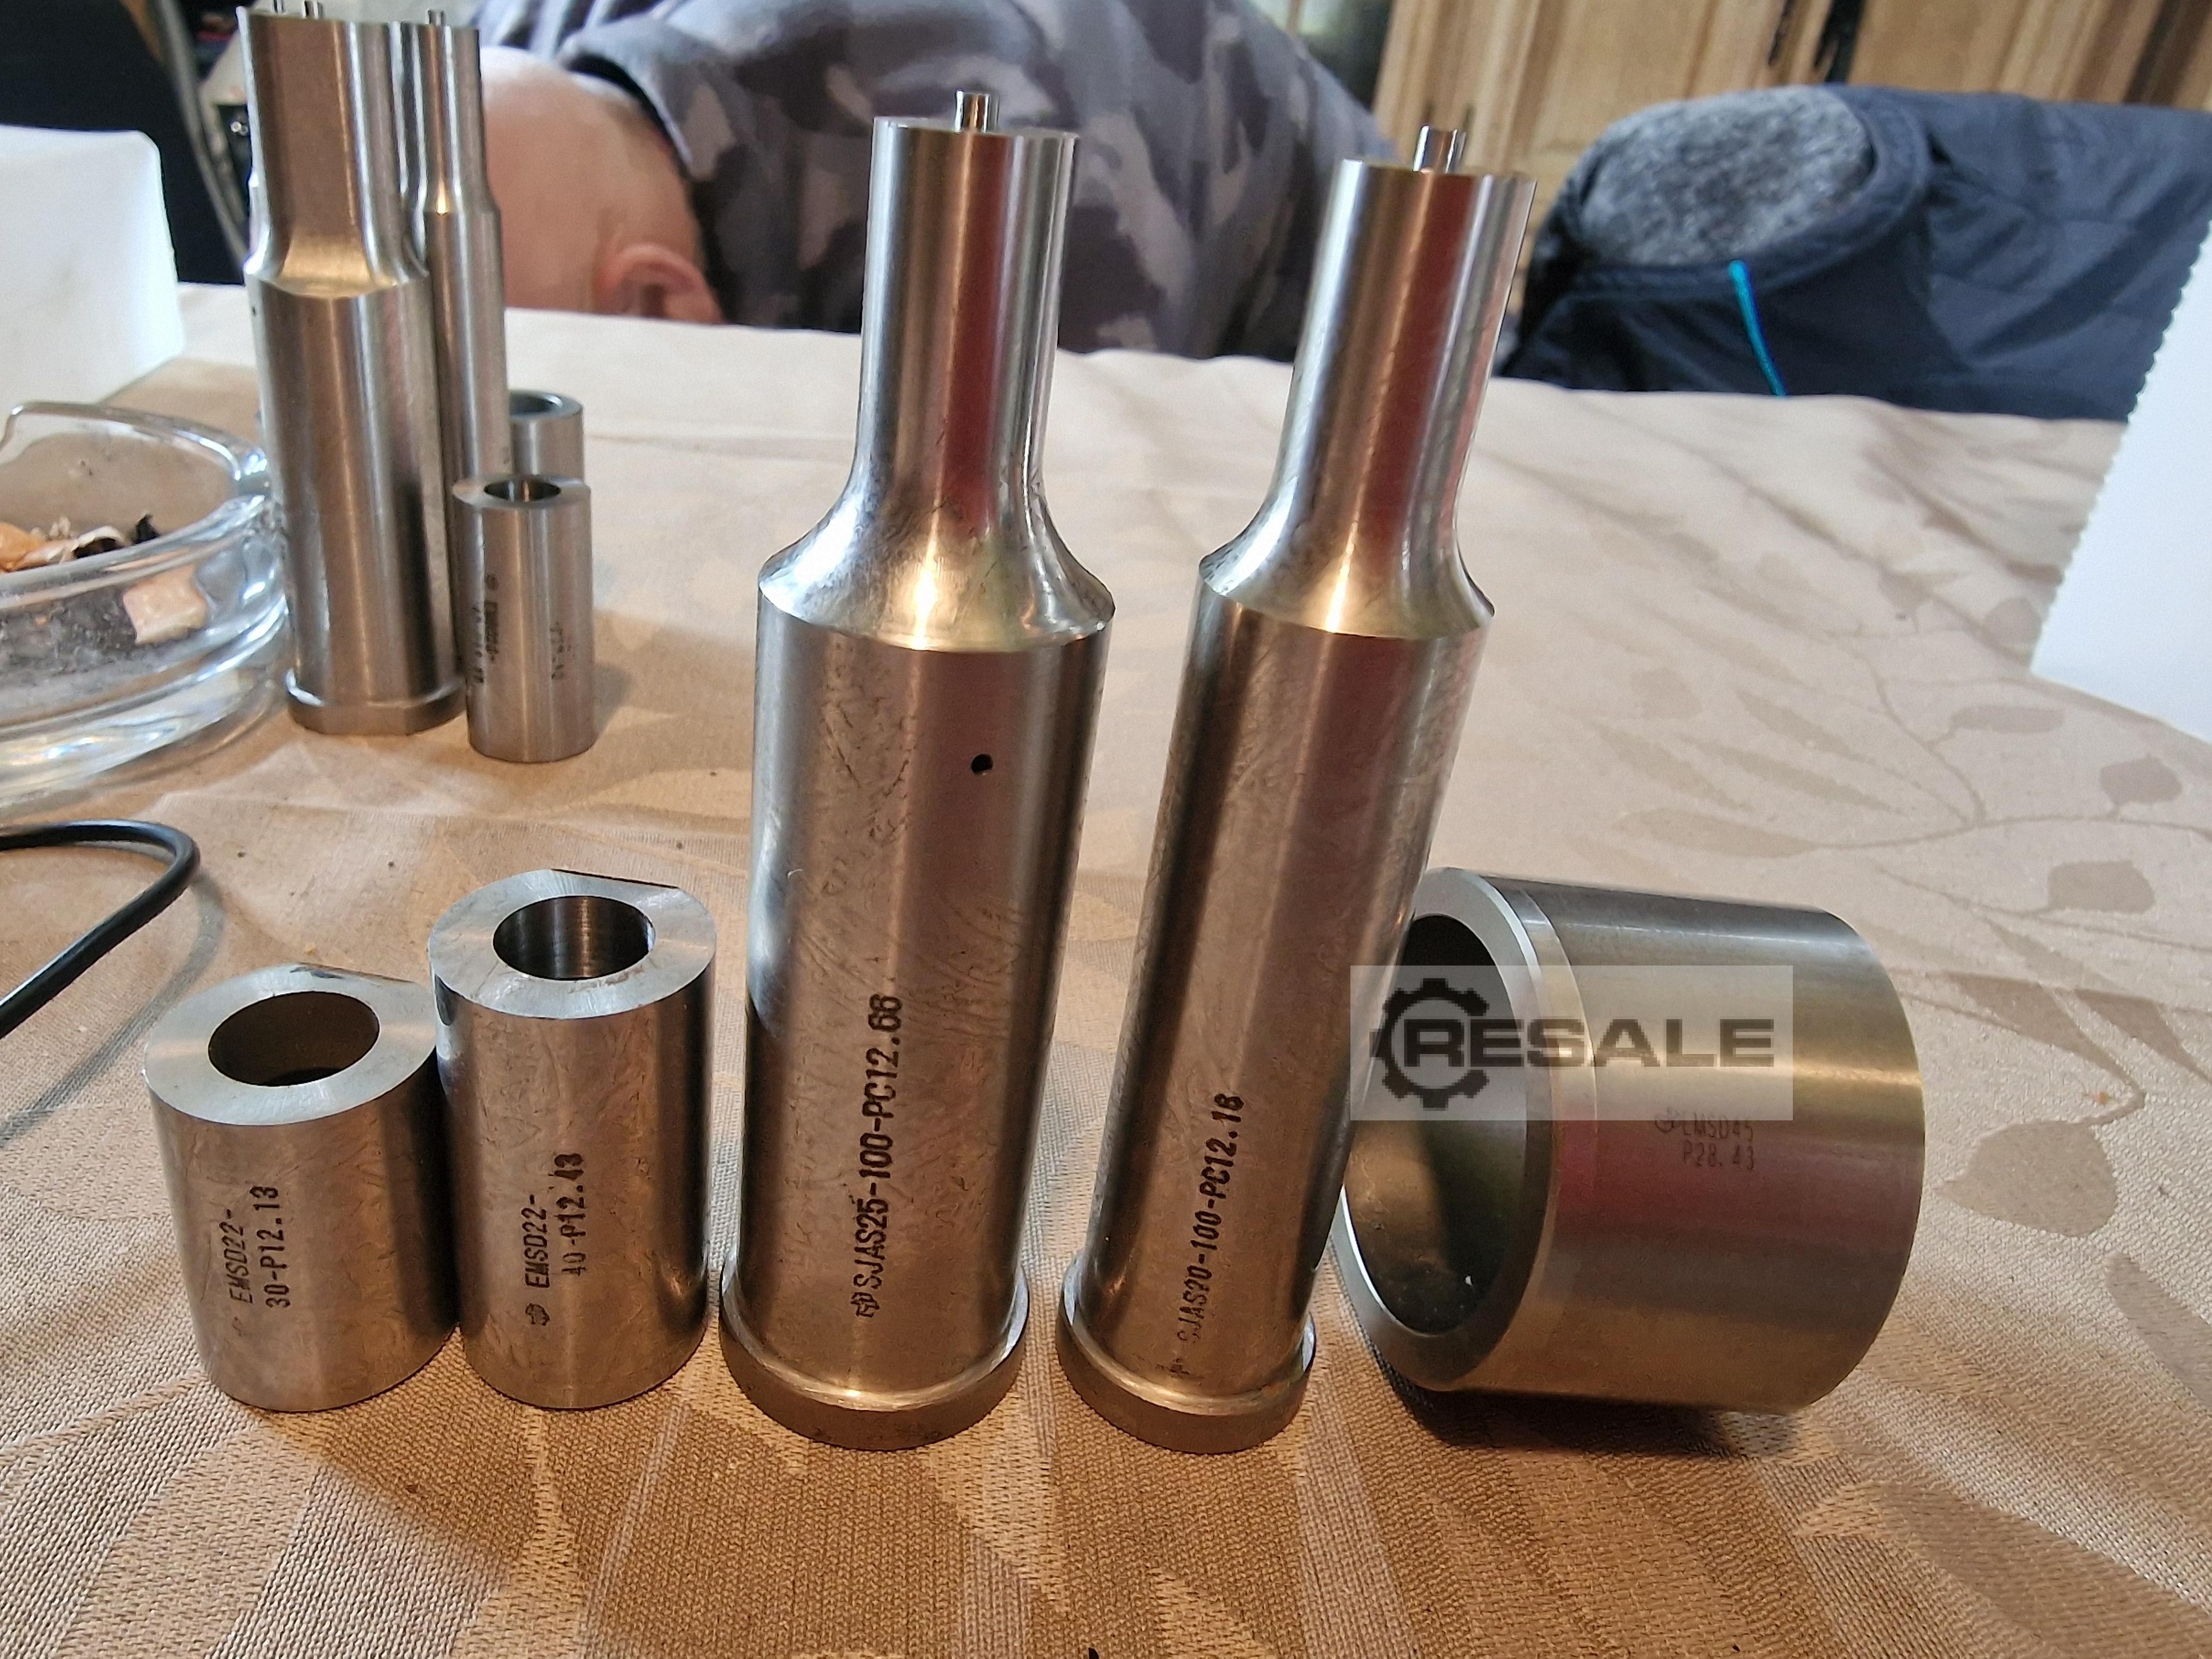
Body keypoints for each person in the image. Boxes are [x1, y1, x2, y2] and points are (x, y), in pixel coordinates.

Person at [473, 0, 1388, 358]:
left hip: (1359, 274)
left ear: (657, 305)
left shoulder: (1013, 209)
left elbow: (1077, 508)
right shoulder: (513, 43)